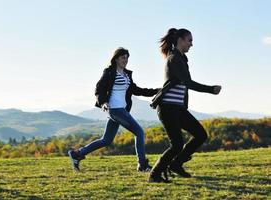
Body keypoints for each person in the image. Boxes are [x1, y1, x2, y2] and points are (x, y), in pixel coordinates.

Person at [68, 47, 159, 172]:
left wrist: (156, 91)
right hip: (114, 109)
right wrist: (103, 102)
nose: (125, 60)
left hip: (122, 109)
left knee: (106, 140)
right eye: (123, 57)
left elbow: (137, 90)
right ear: (116, 58)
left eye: (127, 58)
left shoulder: (127, 75)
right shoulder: (109, 72)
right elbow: (99, 89)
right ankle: (142, 164)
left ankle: (77, 154)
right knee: (139, 132)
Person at [148, 28, 222, 182]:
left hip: (178, 108)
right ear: (180, 40)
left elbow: (184, 84)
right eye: (190, 40)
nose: (191, 44)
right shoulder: (174, 58)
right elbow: (188, 83)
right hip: (168, 107)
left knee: (201, 135)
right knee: (176, 145)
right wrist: (211, 89)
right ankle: (154, 174)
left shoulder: (181, 58)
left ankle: (176, 164)